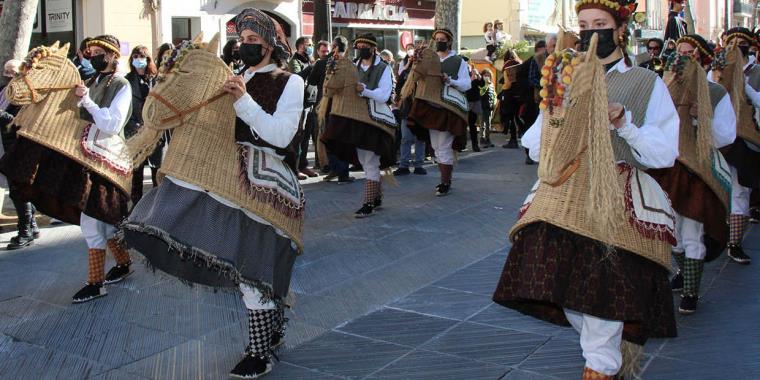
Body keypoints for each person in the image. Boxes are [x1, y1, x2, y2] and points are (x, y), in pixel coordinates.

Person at [493, 0, 681, 377]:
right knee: (564, 287)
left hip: (618, 194)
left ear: (619, 29)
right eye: (583, 24)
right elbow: (534, 143)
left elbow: (664, 154)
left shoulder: (645, 82)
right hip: (564, 194)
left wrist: (624, 122)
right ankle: (605, 355)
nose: (591, 31)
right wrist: (562, 117)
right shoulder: (565, 74)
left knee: (600, 292)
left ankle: (602, 361)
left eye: (600, 23)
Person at [124, 8, 305, 379]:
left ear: (272, 45)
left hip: (266, 177)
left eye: (254, 41)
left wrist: (242, 101)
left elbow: (282, 136)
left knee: (253, 269)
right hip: (223, 171)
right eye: (244, 40)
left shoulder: (291, 83)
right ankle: (266, 335)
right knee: (241, 266)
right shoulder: (232, 76)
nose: (246, 46)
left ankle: (259, 351)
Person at [2, 35, 135, 302]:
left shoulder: (122, 85)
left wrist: (86, 101)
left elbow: (111, 124)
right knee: (101, 222)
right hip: (86, 156)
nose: (94, 56)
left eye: (99, 52)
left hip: (108, 161)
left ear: (112, 56)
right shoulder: (90, 82)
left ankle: (96, 283)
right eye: (92, 52)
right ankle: (123, 263)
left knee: (92, 221)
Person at [648, 34, 736, 314]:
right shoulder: (663, 88)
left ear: (702, 58)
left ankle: (691, 292)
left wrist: (703, 119)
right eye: (680, 52)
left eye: (690, 54)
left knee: (691, 230)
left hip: (696, 172)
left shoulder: (715, 92)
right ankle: (684, 272)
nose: (682, 59)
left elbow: (726, 135)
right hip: (665, 167)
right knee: (669, 229)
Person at [321, 33, 396, 218]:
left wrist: (365, 90)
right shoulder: (353, 66)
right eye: (359, 45)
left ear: (373, 48)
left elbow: (384, 95)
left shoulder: (384, 68)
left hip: (375, 120)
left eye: (364, 46)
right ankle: (376, 196)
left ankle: (368, 203)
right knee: (367, 160)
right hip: (355, 118)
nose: (361, 48)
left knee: (370, 161)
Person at [711, 27, 760, 265]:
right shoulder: (716, 72)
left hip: (744, 139)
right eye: (732, 41)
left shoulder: (755, 72)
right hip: (719, 139)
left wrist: (746, 89)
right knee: (717, 186)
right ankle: (719, 234)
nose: (736, 45)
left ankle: (734, 243)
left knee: (741, 190)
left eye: (741, 42)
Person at [407, 28, 471, 196]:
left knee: (443, 146)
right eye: (437, 39)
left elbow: (467, 84)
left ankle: (445, 182)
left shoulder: (458, 61)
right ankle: (446, 179)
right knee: (436, 146)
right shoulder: (429, 58)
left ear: (449, 41)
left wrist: (449, 80)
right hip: (429, 107)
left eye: (442, 39)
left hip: (447, 108)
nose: (439, 41)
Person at [0, 59, 39, 250]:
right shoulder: (3, 91)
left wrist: (2, 115)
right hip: (5, 146)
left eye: (12, 72)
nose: (8, 76)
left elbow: (22, 122)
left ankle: (25, 231)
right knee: (17, 188)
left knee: (18, 190)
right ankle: (32, 224)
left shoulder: (26, 94)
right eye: (6, 72)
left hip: (20, 147)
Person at [312, 36, 353, 183]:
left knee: (332, 139)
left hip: (334, 106)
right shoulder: (344, 63)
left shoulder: (334, 63)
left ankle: (339, 171)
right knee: (333, 139)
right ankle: (339, 171)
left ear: (334, 47)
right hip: (331, 106)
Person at [125, 45, 158, 204]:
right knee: (136, 173)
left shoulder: (156, 79)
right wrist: (135, 126)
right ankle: (136, 205)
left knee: (156, 172)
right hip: (135, 131)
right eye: (135, 57)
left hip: (154, 133)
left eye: (141, 57)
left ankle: (157, 207)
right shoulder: (127, 80)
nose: (138, 60)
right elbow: (126, 109)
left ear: (148, 59)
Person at [395, 43, 427, 175]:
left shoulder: (427, 74)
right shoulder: (405, 72)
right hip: (407, 110)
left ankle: (419, 164)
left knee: (420, 138)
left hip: (422, 110)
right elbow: (398, 90)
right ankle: (404, 165)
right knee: (406, 139)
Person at [146, 42, 174, 186]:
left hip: (174, 127)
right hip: (159, 129)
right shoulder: (155, 79)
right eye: (164, 56)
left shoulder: (178, 77)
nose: (167, 59)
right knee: (156, 166)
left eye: (170, 55)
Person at [499, 49, 523, 149]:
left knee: (510, 117)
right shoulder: (520, 64)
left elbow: (508, 84)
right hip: (519, 94)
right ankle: (522, 135)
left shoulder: (507, 66)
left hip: (510, 95)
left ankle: (513, 141)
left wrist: (503, 87)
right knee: (518, 116)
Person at [465, 64, 484, 152]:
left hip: (474, 102)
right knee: (463, 124)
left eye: (469, 67)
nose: (469, 69)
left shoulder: (475, 76)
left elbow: (482, 84)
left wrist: (478, 75)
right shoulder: (463, 76)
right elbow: (464, 87)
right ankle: (462, 144)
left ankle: (475, 145)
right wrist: (471, 79)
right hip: (465, 102)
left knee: (473, 125)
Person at [479, 69, 496, 148]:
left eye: (488, 75)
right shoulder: (481, 84)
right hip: (482, 106)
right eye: (485, 75)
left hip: (489, 107)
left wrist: (494, 104)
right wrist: (486, 85)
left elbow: (494, 95)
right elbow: (481, 93)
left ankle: (488, 139)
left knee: (488, 124)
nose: (487, 77)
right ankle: (482, 140)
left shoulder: (491, 84)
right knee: (483, 125)